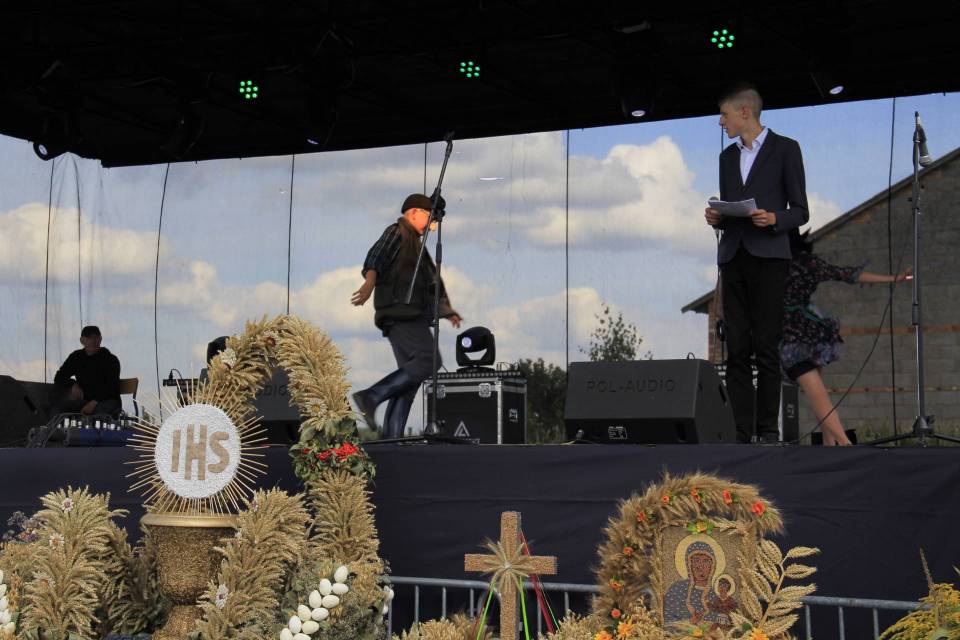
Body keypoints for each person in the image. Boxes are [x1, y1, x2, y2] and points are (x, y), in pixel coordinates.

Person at [705, 83, 810, 443]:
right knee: (736, 349)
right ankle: (740, 431)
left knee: (766, 346)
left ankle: (767, 430)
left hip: (769, 259)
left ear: (745, 112)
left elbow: (801, 211)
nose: (721, 122)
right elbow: (733, 210)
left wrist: (775, 218)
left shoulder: (786, 149)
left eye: (724, 115)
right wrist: (719, 216)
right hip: (734, 257)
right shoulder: (726, 158)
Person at [782, 232, 911, 445]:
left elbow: (847, 274)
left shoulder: (779, 264)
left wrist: (894, 278)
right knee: (818, 394)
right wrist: (893, 278)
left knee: (817, 393)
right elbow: (847, 274)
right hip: (810, 332)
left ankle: (844, 444)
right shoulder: (807, 263)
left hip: (792, 336)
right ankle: (831, 446)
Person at [350, 194, 462, 438]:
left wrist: (446, 310)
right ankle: (371, 397)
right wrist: (369, 284)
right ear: (413, 213)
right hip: (402, 313)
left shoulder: (417, 247)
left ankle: (392, 437)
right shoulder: (397, 232)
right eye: (428, 218)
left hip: (405, 313)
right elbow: (376, 257)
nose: (431, 226)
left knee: (409, 382)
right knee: (429, 360)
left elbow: (433, 282)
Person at [53, 325, 122, 417]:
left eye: (96, 338)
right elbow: (59, 377)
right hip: (84, 401)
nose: (93, 341)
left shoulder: (110, 359)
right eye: (89, 338)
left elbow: (111, 386)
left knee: (96, 416)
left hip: (107, 401)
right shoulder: (76, 357)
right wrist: (73, 384)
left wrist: (93, 403)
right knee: (58, 409)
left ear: (100, 339)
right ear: (82, 340)